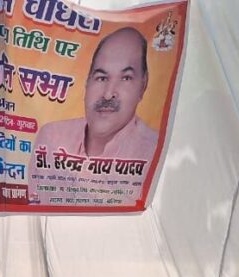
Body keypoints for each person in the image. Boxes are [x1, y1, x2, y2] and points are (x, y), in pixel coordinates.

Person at [28, 27, 158, 201]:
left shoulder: (153, 154)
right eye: (101, 78)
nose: (108, 94)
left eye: (126, 78)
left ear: (143, 85)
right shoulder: (51, 138)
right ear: (87, 82)